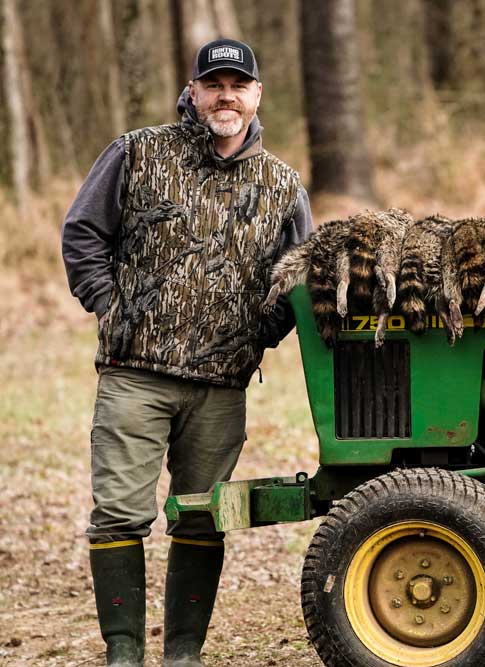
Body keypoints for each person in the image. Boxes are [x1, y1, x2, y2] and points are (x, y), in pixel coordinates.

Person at [62, 38, 313, 667]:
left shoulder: (282, 183)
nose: (226, 96)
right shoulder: (138, 152)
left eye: (239, 84)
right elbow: (83, 231)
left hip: (220, 385)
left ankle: (183, 654)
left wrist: (262, 332)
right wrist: (108, 303)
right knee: (120, 513)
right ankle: (123, 653)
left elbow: (299, 276)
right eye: (214, 83)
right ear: (194, 91)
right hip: (135, 375)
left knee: (202, 518)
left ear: (258, 95)